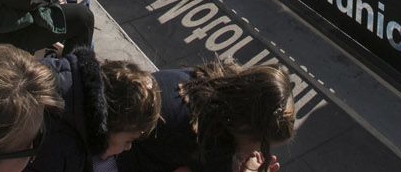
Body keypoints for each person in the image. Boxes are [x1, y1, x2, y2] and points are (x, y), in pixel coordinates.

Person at [117, 61, 296, 172]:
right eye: (262, 145)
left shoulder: (204, 82)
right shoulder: (211, 144)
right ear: (246, 128)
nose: (257, 152)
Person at [31, 49, 162, 172]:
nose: (129, 147)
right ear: (111, 125)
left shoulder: (66, 75)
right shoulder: (63, 149)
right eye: (129, 140)